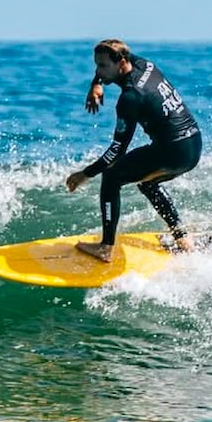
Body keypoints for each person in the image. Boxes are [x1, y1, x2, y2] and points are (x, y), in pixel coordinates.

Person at [66, 39, 202, 262]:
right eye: (96, 65)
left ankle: (105, 248)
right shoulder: (144, 64)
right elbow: (107, 70)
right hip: (193, 146)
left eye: (103, 66)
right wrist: (96, 83)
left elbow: (117, 150)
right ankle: (182, 238)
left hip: (172, 151)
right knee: (147, 181)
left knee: (112, 176)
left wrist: (85, 174)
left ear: (121, 63)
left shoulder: (130, 98)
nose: (98, 71)